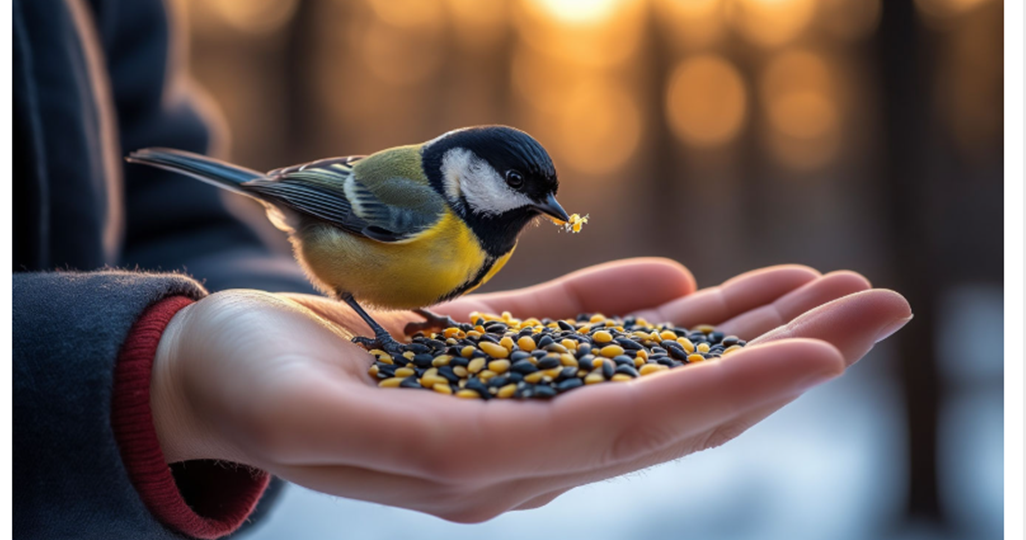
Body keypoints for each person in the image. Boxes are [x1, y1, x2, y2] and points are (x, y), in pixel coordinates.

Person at [11, 0, 913, 539]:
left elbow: (180, 237)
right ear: (469, 174)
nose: (533, 206)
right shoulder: (424, 206)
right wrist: (198, 365)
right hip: (325, 229)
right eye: (518, 187)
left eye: (542, 196)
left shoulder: (479, 227)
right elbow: (334, 229)